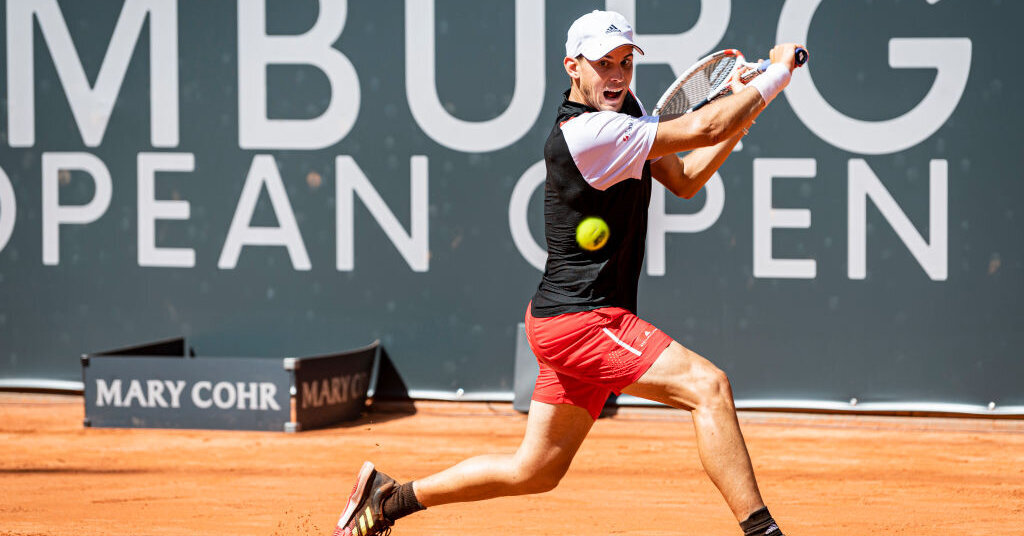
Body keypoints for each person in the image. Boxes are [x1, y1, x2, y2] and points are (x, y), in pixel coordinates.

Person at [332, 10, 805, 536]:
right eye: (603, 64)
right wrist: (776, 76)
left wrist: (742, 118)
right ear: (572, 67)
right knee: (708, 387)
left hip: (563, 319)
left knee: (534, 470)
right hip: (584, 320)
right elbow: (705, 124)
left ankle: (386, 501)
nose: (618, 76)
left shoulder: (626, 111)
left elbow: (686, 178)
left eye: (626, 63)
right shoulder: (587, 132)